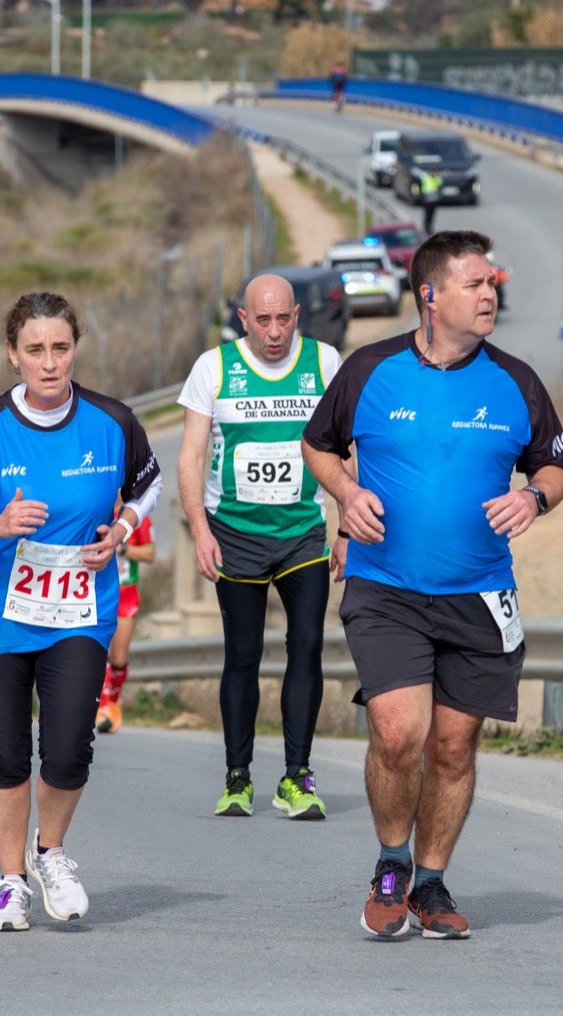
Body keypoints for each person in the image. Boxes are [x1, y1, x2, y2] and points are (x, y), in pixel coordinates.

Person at [301, 229, 563, 940]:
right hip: (385, 584)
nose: (490, 294)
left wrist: (534, 499)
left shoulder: (516, 380)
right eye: (476, 284)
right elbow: (318, 444)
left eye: (492, 285)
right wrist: (344, 493)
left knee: (453, 747)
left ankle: (431, 882)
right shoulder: (369, 369)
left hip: (480, 593)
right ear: (430, 294)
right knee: (398, 733)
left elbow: (555, 467)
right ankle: (391, 865)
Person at [0, 291, 162, 932]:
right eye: (35, 350)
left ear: (74, 349)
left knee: (68, 750)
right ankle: (8, 883)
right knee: (4, 753)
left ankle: (50, 854)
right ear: (13, 355)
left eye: (60, 348)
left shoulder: (112, 421)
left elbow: (148, 480)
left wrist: (125, 527)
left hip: (80, 609)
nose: (49, 363)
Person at [178, 272, 343, 821]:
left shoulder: (323, 362)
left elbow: (349, 450)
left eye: (283, 319)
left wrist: (347, 526)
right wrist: (200, 531)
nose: (274, 332)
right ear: (243, 319)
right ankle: (238, 776)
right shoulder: (215, 367)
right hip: (236, 536)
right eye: (262, 320)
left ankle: (297, 776)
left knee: (307, 647)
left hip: (304, 534)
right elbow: (191, 457)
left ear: (297, 315)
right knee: (242, 656)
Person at [95, 507, 155, 734]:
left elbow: (150, 554)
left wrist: (123, 548)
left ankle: (114, 702)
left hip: (126, 594)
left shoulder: (139, 516)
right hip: (99, 591)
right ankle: (102, 709)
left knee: (118, 658)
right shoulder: (98, 508)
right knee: (101, 652)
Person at [419, 168, 442, 237]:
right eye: (433, 172)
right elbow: (422, 188)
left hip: (434, 199)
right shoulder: (425, 178)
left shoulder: (437, 178)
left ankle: (429, 227)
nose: (434, 174)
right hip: (427, 199)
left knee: (432, 214)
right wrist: (423, 196)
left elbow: (440, 185)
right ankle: (426, 227)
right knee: (427, 214)